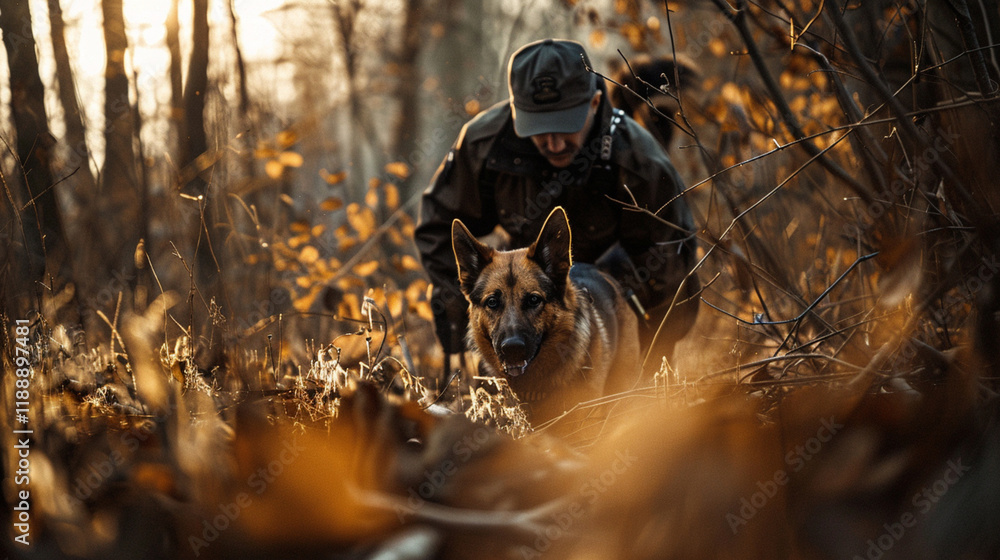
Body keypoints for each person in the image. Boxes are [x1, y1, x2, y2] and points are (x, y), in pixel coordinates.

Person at [415, 38, 699, 372]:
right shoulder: (484, 144)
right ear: (517, 113)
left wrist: (648, 360)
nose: (553, 142)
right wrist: (476, 310)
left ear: (594, 104)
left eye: (566, 126)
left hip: (614, 292)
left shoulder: (639, 161)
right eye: (538, 129)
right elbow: (437, 227)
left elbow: (671, 265)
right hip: (525, 288)